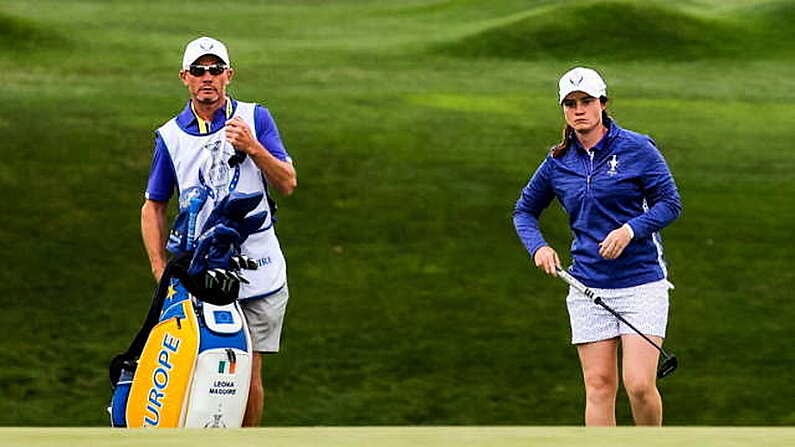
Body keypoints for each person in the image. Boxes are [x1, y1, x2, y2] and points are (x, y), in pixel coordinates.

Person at [141, 36, 297, 427]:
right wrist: (161, 270)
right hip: (198, 274)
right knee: (194, 369)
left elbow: (288, 182)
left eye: (215, 70)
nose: (207, 77)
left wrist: (255, 147)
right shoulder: (171, 136)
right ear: (185, 78)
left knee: (247, 372)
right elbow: (153, 205)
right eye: (198, 70)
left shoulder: (255, 118)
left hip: (258, 271)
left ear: (229, 75)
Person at [512, 67, 681, 426]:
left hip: (641, 283)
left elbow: (670, 203)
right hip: (587, 285)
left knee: (638, 383)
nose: (579, 110)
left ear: (603, 103)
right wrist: (538, 247)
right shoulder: (557, 162)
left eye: (586, 101)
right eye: (570, 104)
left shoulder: (637, 148)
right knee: (599, 386)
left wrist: (630, 230)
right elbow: (524, 211)